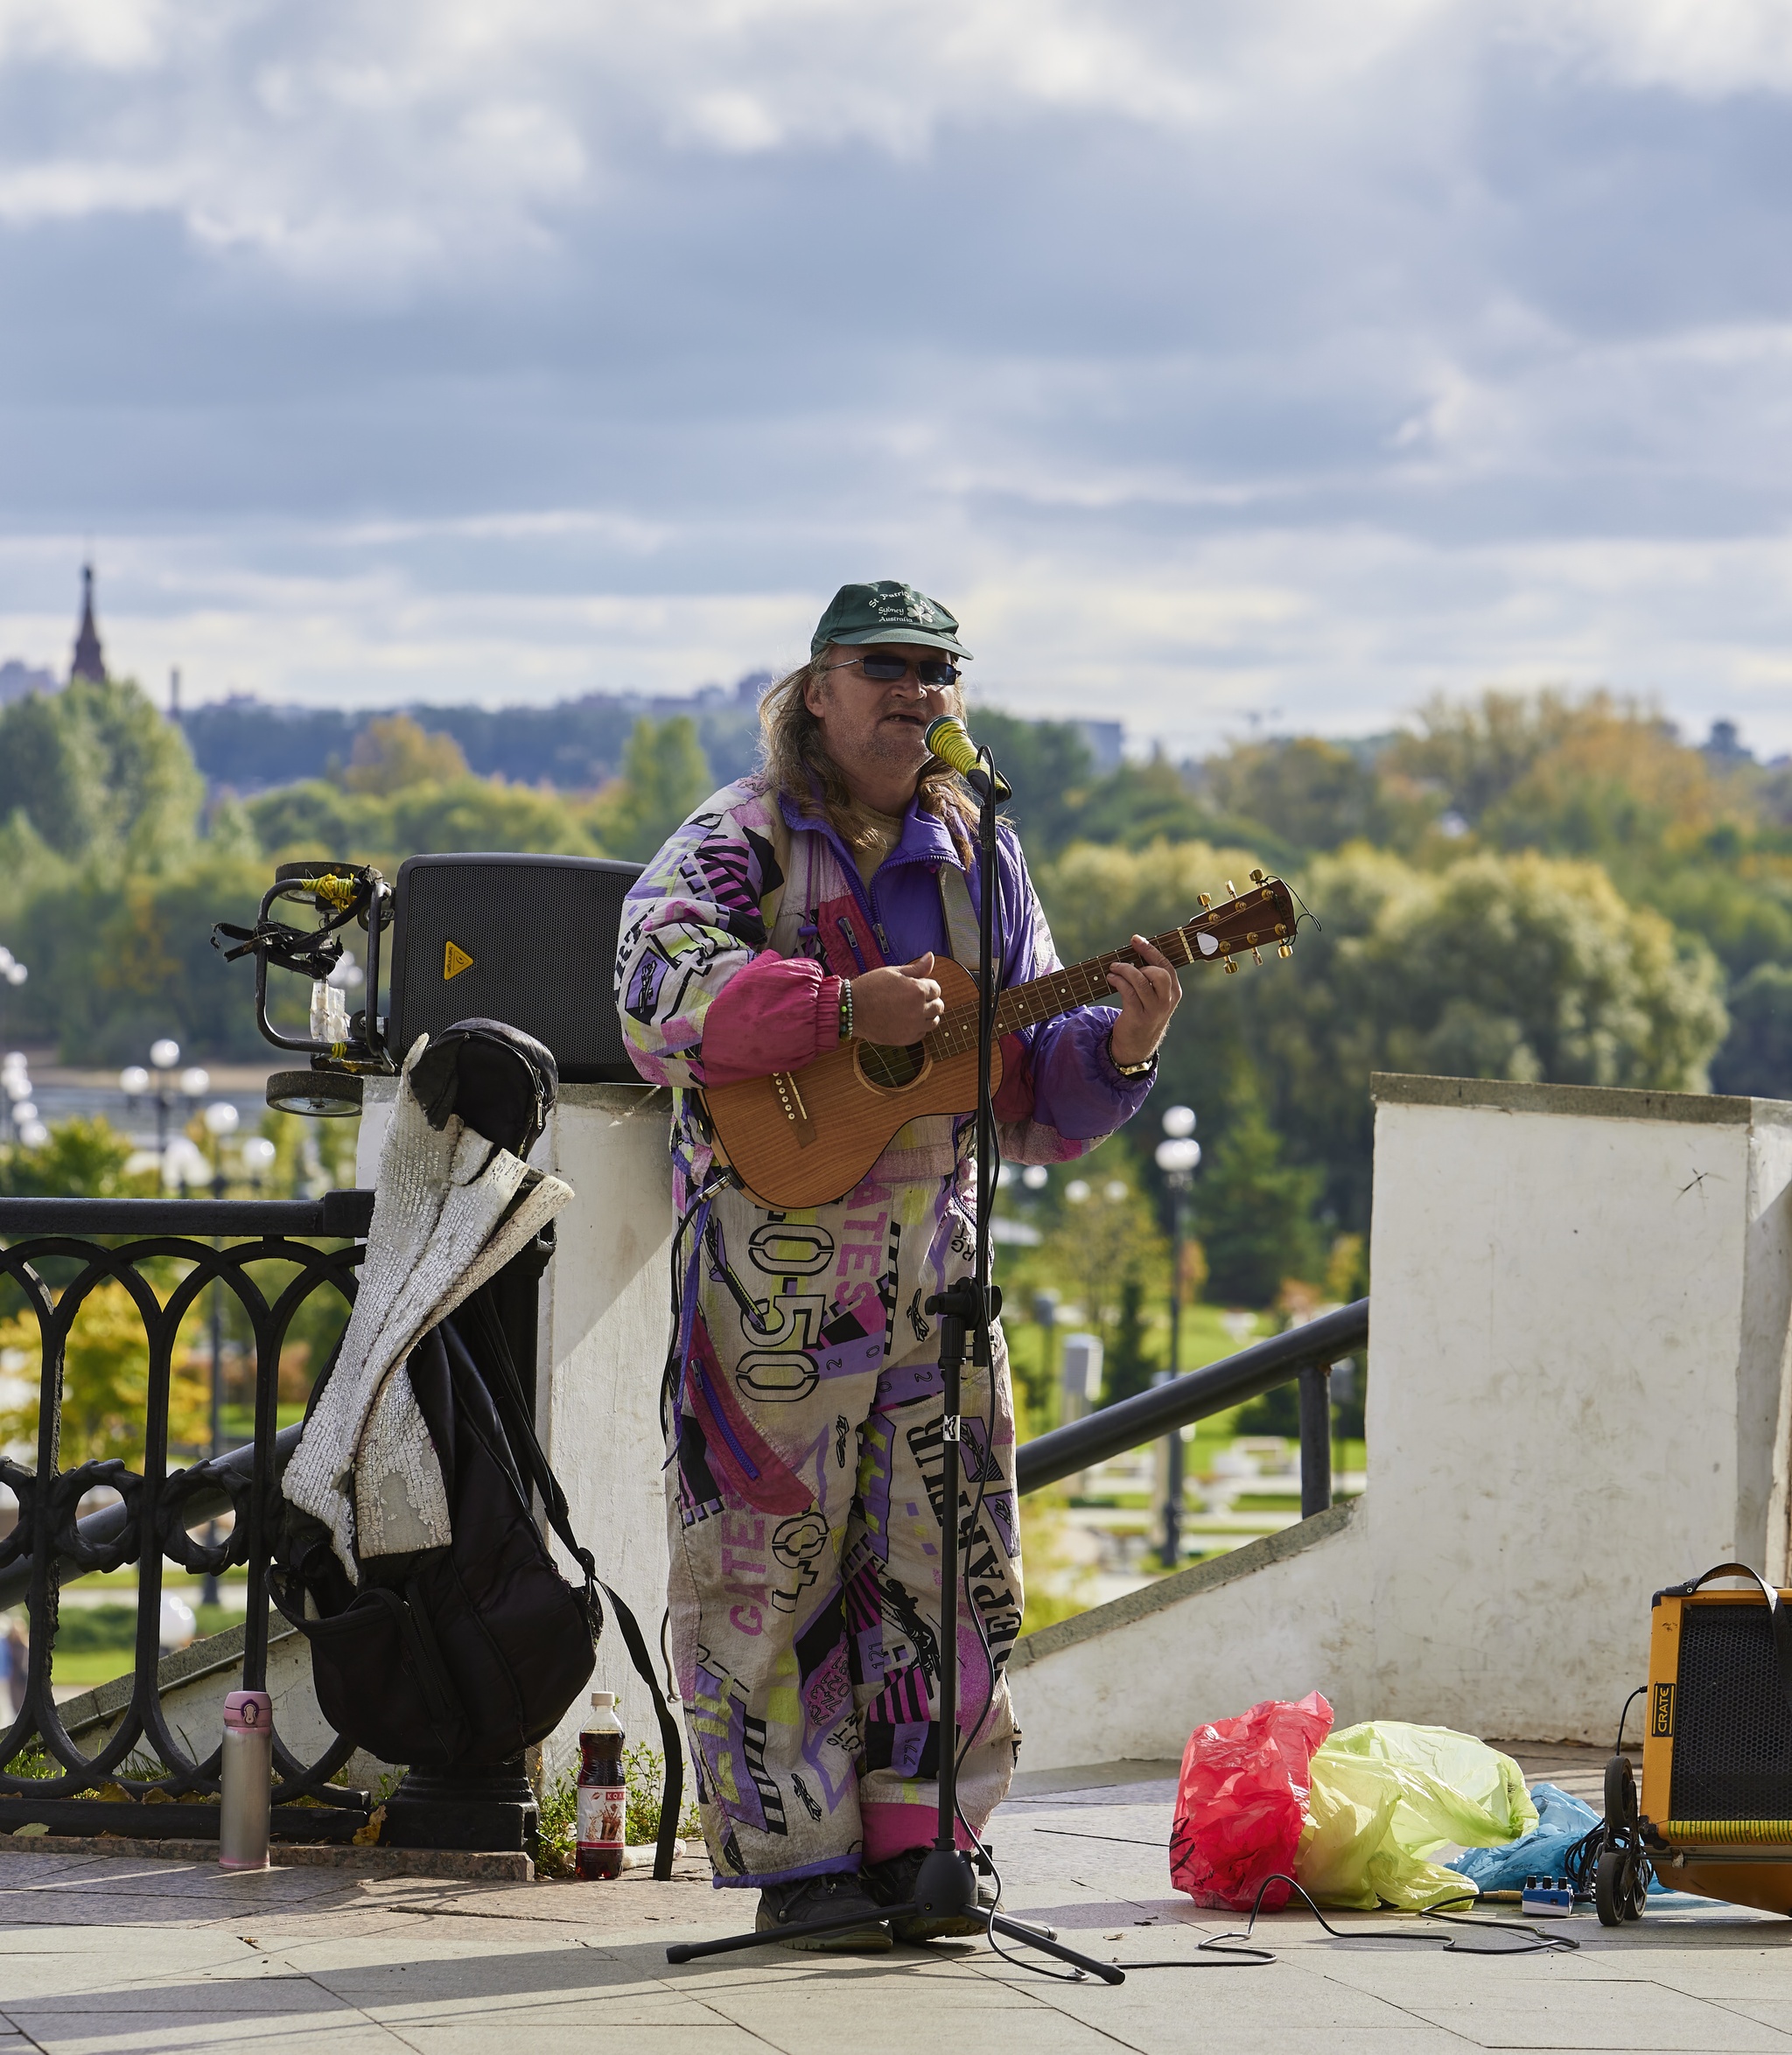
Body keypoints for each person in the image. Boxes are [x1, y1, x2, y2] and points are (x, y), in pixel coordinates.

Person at [615, 580, 1180, 1950]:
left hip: (940, 1269)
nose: (918, 694)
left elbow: (1026, 1083)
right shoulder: (741, 837)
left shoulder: (979, 850)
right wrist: (831, 1005)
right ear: (819, 687)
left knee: (949, 1557)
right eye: (888, 668)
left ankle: (930, 1843)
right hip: (770, 1279)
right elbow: (652, 983)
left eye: (940, 673)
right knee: (763, 1569)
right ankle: (800, 1867)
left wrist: (1124, 1046)